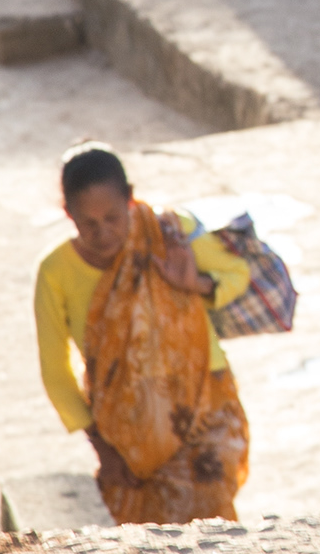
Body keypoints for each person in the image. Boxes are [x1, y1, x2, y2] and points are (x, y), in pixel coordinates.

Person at [34, 142, 252, 525]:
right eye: (89, 223)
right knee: (146, 536)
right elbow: (56, 372)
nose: (103, 233)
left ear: (131, 199)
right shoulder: (56, 272)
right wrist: (103, 448)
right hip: (125, 429)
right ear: (68, 214)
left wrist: (195, 282)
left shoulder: (169, 234)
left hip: (205, 401)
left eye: (113, 218)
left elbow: (238, 275)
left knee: (211, 513)